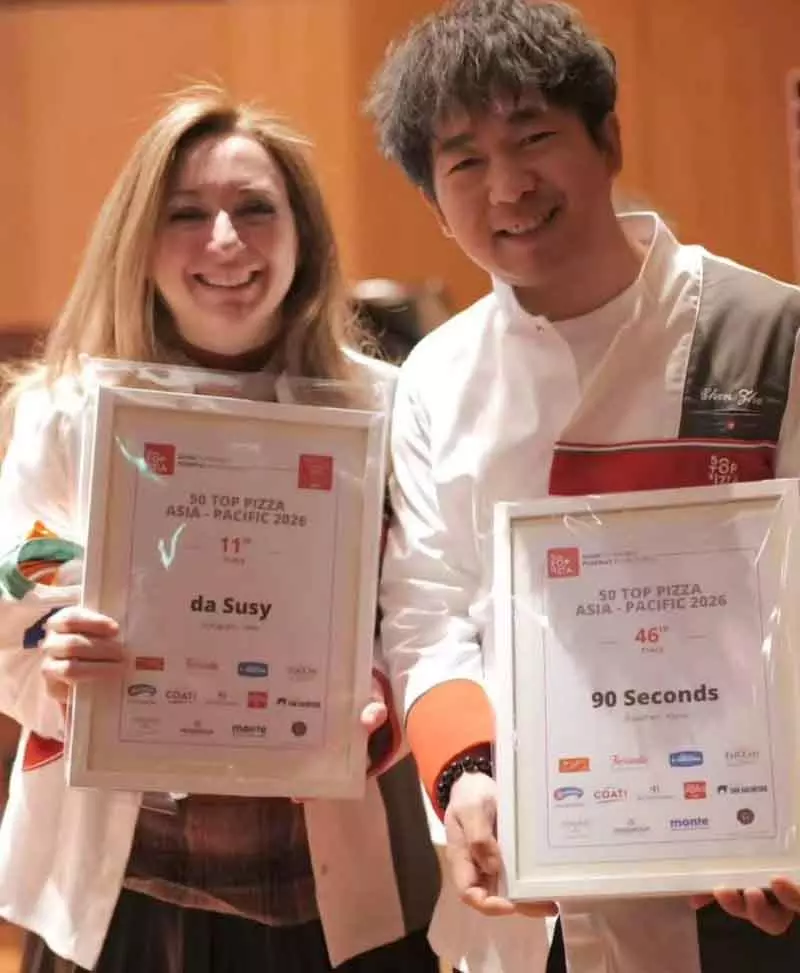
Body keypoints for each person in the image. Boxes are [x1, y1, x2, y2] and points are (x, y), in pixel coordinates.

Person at [368, 2, 800, 971]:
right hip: (531, 893)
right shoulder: (437, 376)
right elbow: (428, 612)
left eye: (533, 138)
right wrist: (468, 776)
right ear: (434, 201)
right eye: (464, 162)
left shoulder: (768, 333)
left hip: (747, 872)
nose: (508, 186)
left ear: (606, 140)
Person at [0, 86, 442, 972]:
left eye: (256, 209)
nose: (226, 240)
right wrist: (60, 660)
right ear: (140, 241)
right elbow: (15, 597)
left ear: (304, 235)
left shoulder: (388, 409)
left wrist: (377, 695)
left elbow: (425, 609)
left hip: (332, 892)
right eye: (186, 214)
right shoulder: (68, 411)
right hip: (119, 897)